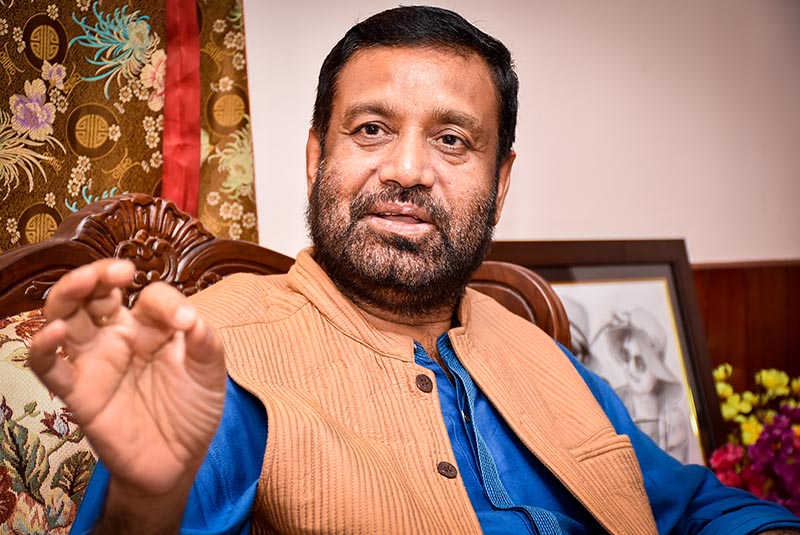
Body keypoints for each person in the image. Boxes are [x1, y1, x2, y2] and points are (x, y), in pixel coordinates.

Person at [28, 6, 800, 535]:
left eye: (453, 140)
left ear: (500, 182)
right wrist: (145, 503)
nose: (406, 169)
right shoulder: (213, 352)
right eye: (371, 129)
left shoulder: (543, 351)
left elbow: (691, 503)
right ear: (315, 158)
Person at [605, 309, 691, 462]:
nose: (631, 368)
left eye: (641, 361)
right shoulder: (610, 406)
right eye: (626, 356)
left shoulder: (673, 419)